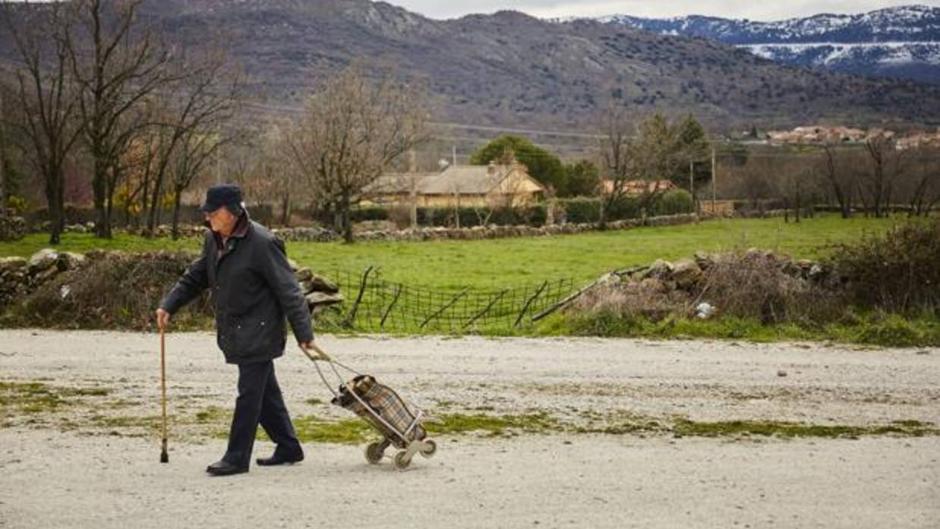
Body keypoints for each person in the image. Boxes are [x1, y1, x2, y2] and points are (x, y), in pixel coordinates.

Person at [156, 183, 313, 477]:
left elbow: (290, 291)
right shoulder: (213, 239)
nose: (207, 218)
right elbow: (197, 275)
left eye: (212, 213)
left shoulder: (263, 243)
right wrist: (169, 305)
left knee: (249, 393)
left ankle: (237, 456)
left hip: (261, 330)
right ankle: (288, 446)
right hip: (236, 328)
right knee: (264, 392)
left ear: (232, 211)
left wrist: (304, 334)